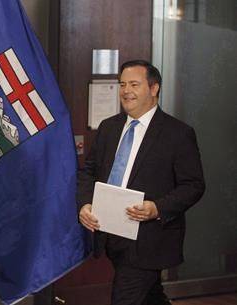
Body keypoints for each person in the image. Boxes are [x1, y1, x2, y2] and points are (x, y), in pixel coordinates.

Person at [77, 60, 205, 305]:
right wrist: (84, 205)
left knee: (126, 297)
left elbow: (194, 185)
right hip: (110, 233)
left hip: (149, 238)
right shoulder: (109, 127)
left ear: (154, 88)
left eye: (134, 84)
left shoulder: (178, 133)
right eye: (122, 84)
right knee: (151, 297)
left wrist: (157, 208)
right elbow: (88, 172)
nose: (126, 91)